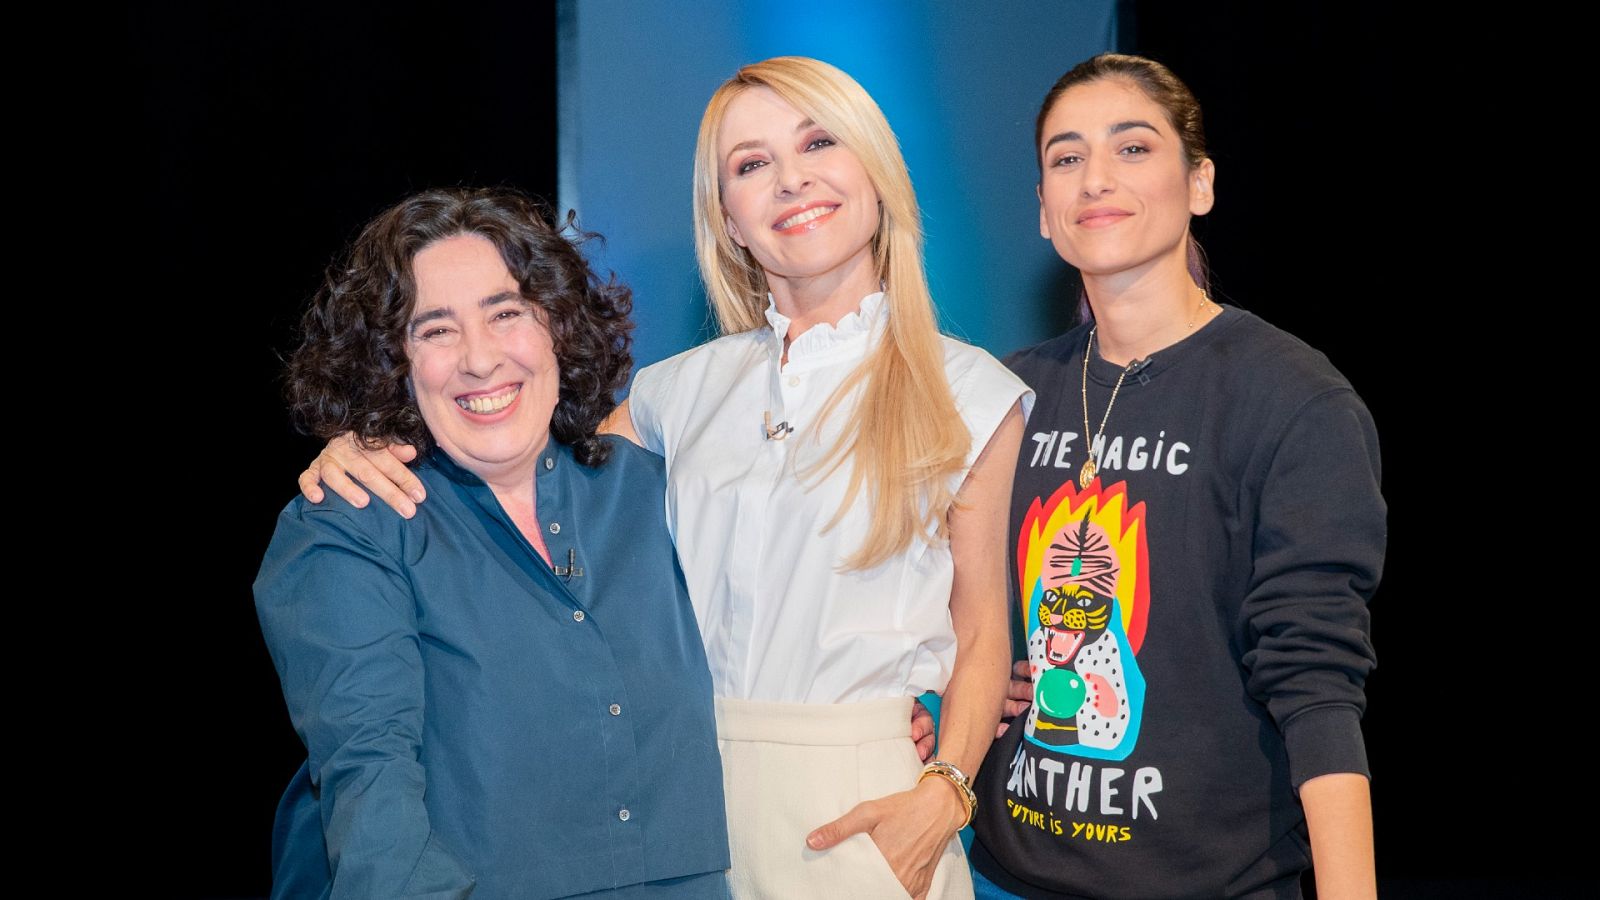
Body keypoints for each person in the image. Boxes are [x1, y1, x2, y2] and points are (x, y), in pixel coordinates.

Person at [301, 57, 1029, 900]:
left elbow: (981, 636)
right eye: (751, 164)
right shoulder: (672, 391)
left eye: (818, 142)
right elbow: (510, 461)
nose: (792, 181)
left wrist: (944, 799)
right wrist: (364, 437)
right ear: (729, 218)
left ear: (873, 166)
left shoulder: (972, 391)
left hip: (864, 810)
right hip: (679, 805)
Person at [964, 54, 1383, 900]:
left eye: (1133, 148)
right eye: (1066, 157)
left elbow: (1316, 683)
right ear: (1043, 212)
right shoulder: (1003, 393)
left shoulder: (1292, 399)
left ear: (1200, 184)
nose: (1096, 180)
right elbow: (945, 609)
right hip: (1001, 879)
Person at [256, 187, 730, 899]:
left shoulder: (656, 492)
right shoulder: (350, 524)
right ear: (393, 360)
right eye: (435, 330)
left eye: (506, 313)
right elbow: (371, 787)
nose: (479, 360)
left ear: (558, 327)